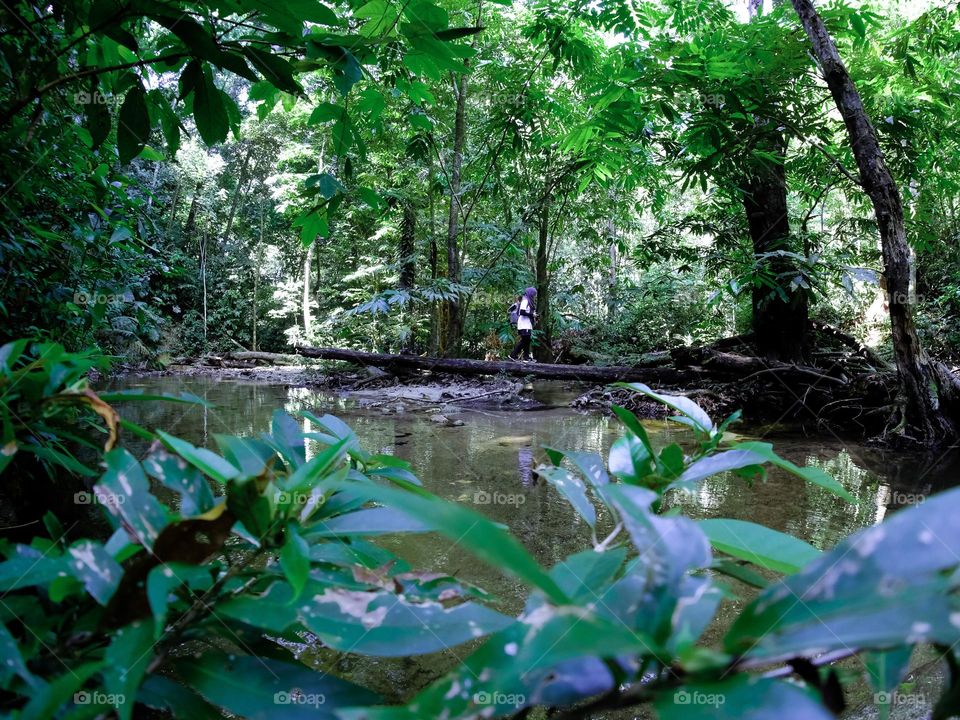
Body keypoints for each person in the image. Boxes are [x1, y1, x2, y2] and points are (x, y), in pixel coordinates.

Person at [509, 287, 537, 362]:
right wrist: (532, 315)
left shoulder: (528, 301)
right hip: (524, 324)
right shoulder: (525, 300)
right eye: (534, 294)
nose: (534, 296)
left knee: (527, 340)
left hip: (527, 324)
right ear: (530, 294)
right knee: (525, 340)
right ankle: (513, 355)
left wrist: (533, 315)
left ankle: (526, 357)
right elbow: (521, 312)